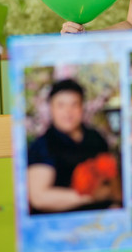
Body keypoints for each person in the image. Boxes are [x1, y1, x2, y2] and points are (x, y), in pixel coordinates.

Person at [27, 78, 121, 214]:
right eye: (61, 105)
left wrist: (116, 202)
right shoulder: (43, 145)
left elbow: (112, 178)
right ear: (51, 109)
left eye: (74, 105)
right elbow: (39, 198)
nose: (68, 112)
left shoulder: (95, 138)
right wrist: (90, 197)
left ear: (82, 107)